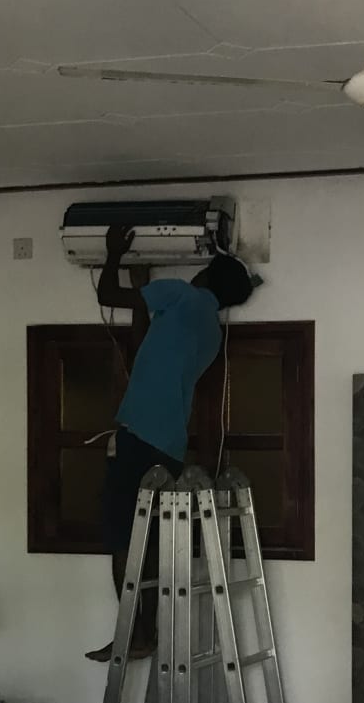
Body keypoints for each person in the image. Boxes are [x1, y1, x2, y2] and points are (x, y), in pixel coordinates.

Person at [86, 226, 254, 661]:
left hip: (140, 435)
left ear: (205, 276)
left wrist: (113, 253)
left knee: (122, 538)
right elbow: (145, 346)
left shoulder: (181, 294)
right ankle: (144, 632)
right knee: (147, 541)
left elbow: (107, 294)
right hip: (168, 446)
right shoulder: (211, 331)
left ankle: (134, 634)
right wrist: (143, 295)